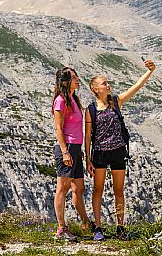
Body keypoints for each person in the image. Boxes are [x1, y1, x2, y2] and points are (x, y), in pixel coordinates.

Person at [85, 58, 156, 241]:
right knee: (97, 190)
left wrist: (150, 71)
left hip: (118, 151)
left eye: (107, 82)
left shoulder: (116, 102)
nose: (108, 85)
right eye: (104, 83)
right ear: (95, 88)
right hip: (99, 153)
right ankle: (98, 228)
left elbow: (137, 86)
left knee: (119, 190)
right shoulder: (90, 110)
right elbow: (87, 136)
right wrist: (87, 158)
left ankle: (120, 227)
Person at [52, 66, 94, 240]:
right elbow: (58, 129)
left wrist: (79, 151)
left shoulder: (73, 99)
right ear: (64, 82)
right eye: (74, 77)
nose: (78, 79)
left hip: (75, 149)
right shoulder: (60, 100)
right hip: (67, 148)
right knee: (63, 188)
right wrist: (65, 152)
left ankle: (85, 223)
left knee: (79, 188)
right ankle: (61, 228)